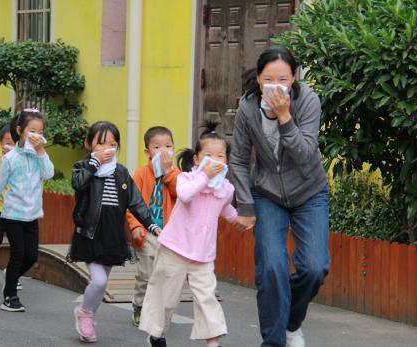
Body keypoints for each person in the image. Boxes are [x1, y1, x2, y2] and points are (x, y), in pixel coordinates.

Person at [230, 45, 330, 347]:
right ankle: (273, 342)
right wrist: (245, 205)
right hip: (268, 195)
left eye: (284, 79)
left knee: (314, 268)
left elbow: (305, 156)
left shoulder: (308, 101)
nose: (276, 86)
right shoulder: (248, 107)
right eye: (269, 79)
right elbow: (237, 159)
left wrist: (285, 116)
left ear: (295, 77)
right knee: (271, 268)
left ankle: (290, 321)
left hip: (309, 192)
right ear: (259, 79)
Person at [139, 121, 239, 347]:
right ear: (196, 159)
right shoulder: (187, 179)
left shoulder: (225, 189)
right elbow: (184, 195)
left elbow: (226, 210)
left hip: (203, 255)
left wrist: (242, 219)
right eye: (209, 155)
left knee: (207, 299)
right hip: (174, 249)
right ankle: (156, 334)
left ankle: (212, 342)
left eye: (221, 156)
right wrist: (203, 176)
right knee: (165, 297)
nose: (215, 160)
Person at [67, 121, 161, 343]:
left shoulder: (120, 172)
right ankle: (85, 313)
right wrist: (93, 165)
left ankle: (88, 315)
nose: (107, 148)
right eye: (100, 143)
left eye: (112, 143)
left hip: (112, 235)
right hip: (89, 234)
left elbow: (136, 202)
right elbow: (79, 184)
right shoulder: (82, 167)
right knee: (98, 281)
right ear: (88, 145)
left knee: (103, 282)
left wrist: (151, 224)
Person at [0, 108, 54, 312]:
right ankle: (9, 296)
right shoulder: (11, 158)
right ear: (20, 130)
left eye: (40, 132)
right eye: (32, 131)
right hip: (13, 214)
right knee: (18, 254)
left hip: (32, 215)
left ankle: (10, 274)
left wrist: (42, 152)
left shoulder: (39, 156)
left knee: (31, 257)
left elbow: (49, 173)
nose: (37, 136)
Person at [126, 126, 180, 327]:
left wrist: (168, 173)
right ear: (147, 151)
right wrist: (134, 226)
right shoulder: (140, 174)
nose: (163, 151)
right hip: (146, 233)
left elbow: (181, 194)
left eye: (168, 146)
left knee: (166, 275)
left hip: (170, 235)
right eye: (157, 146)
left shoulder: (176, 174)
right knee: (146, 275)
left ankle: (157, 310)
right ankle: (139, 305)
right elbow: (130, 204)